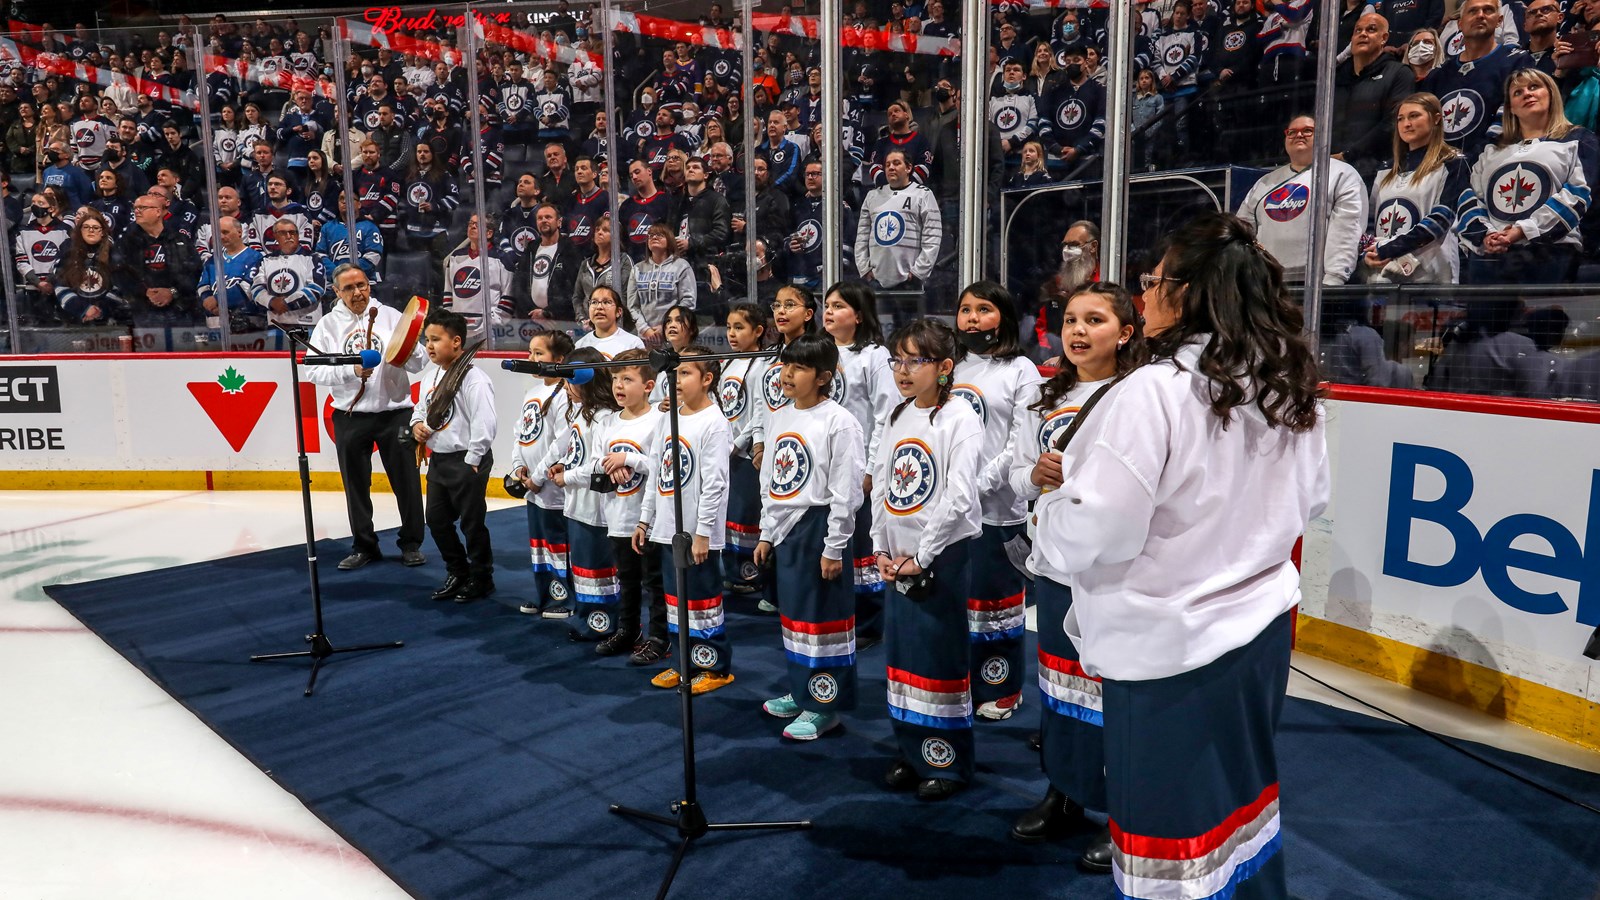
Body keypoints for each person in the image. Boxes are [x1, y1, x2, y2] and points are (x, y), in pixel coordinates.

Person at [1033, 211, 1327, 900]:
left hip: (1171, 645)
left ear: (1188, 292)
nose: (1145, 294)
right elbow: (1311, 500)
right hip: (1260, 629)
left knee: (1167, 837)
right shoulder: (1288, 383)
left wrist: (1047, 516)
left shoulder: (1151, 393)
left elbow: (1097, 528)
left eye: (1153, 281)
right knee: (1242, 803)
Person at [1006, 282, 1145, 870]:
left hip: (1110, 574)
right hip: (1053, 562)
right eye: (1070, 320)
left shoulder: (1138, 396)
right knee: (1061, 688)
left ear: (1127, 333)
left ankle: (1122, 815)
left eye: (1096, 319)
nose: (1079, 330)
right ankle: (1063, 792)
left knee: (1111, 694)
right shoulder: (1041, 394)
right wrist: (1032, 476)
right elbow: (1015, 479)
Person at [875, 318, 984, 801]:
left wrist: (921, 555)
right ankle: (911, 749)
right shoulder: (898, 415)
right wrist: (880, 546)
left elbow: (958, 497)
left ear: (943, 367)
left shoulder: (960, 417)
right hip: (898, 556)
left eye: (914, 361)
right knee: (903, 655)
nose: (902, 370)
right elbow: (883, 485)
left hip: (940, 555)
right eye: (897, 359)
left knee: (937, 654)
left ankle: (947, 760)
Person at [752, 334, 866, 741]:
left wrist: (834, 546)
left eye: (798, 368)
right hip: (786, 530)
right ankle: (803, 690)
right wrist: (767, 531)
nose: (787, 374)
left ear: (823, 377)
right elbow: (770, 481)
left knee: (823, 621)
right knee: (796, 620)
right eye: (786, 365)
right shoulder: (780, 415)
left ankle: (825, 706)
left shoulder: (840, 421)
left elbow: (846, 491)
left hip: (819, 529)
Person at [950, 282, 1045, 721]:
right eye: (965, 310)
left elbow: (1018, 443)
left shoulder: (1021, 369)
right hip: (952, 510)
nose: (971, 318)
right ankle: (961, 678)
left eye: (982, 310)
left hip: (998, 510)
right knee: (961, 601)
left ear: (1003, 317)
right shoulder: (954, 368)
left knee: (997, 601)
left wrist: (976, 486)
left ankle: (1003, 687)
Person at [308, 264, 429, 572]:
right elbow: (313, 369)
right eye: (348, 288)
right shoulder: (327, 325)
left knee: (408, 483)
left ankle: (412, 543)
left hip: (396, 413)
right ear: (336, 292)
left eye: (361, 285)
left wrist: (412, 349)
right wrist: (350, 371)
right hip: (350, 416)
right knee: (355, 485)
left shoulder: (391, 316)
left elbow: (418, 364)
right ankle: (364, 545)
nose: (357, 292)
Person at [634, 345, 737, 695]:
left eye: (687, 373)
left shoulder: (715, 423)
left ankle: (714, 667)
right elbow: (657, 471)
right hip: (667, 530)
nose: (676, 379)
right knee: (676, 602)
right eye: (675, 373)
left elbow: (716, 485)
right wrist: (645, 520)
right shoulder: (669, 417)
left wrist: (704, 533)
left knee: (702, 603)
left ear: (707, 379)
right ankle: (683, 665)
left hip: (696, 533)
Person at [1459, 68, 1596, 284]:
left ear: (1551, 94)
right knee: (1484, 318)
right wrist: (1485, 235)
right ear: (1510, 108)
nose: (1527, 94)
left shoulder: (1579, 139)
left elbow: (1579, 194)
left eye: (1534, 87)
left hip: (1551, 253)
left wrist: (1523, 230)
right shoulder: (1490, 151)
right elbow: (1470, 198)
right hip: (1491, 256)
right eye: (1517, 92)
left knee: (1542, 317)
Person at [820, 282, 896, 644]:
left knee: (862, 545)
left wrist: (870, 468)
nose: (829, 311)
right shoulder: (817, 352)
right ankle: (833, 614)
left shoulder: (874, 355)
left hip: (859, 463)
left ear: (860, 315)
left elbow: (886, 415)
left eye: (839, 305)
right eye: (827, 305)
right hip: (822, 463)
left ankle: (867, 623)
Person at [412, 309, 498, 602]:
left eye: (436, 339)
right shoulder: (431, 375)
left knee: (472, 523)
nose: (429, 346)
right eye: (427, 340)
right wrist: (418, 427)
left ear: (457, 342)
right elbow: (420, 410)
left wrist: (473, 460)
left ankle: (482, 577)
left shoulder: (474, 379)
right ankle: (458, 570)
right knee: (436, 519)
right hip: (440, 459)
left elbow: (484, 424)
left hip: (466, 460)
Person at [537, 347, 624, 635]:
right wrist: (563, 465)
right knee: (583, 565)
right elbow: (574, 451)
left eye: (570, 380)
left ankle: (602, 622)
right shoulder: (584, 414)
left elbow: (600, 465)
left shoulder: (605, 418)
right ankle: (586, 615)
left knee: (596, 566)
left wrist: (569, 476)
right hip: (577, 505)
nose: (565, 386)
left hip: (595, 508)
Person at [595, 349, 668, 659]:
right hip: (618, 514)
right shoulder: (608, 421)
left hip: (648, 518)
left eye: (627, 378)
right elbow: (596, 460)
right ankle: (628, 629)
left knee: (654, 580)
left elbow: (663, 464)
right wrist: (610, 464)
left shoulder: (659, 418)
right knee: (626, 577)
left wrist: (629, 459)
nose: (618, 386)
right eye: (615, 379)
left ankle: (660, 636)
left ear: (649, 386)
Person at [1236, 115, 1367, 284]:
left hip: (1317, 282)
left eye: (1307, 131)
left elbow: (1347, 228)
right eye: (1292, 132)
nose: (1299, 135)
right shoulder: (1266, 182)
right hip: (1268, 280)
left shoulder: (1342, 174)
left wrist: (1334, 279)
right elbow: (1242, 229)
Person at [1365, 93, 1472, 284]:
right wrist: (1369, 251)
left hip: (1432, 275)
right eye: (1401, 119)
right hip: (1383, 274)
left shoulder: (1453, 163)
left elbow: (1441, 220)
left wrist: (1391, 248)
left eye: (1414, 116)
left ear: (1436, 118)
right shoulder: (1385, 169)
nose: (1406, 124)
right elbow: (1370, 223)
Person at [510, 331, 576, 615]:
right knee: (539, 545)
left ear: (559, 360)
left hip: (551, 487)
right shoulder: (532, 392)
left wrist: (537, 477)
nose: (531, 359)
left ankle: (565, 598)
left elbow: (562, 443)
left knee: (558, 544)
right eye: (530, 352)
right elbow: (520, 433)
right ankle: (545, 594)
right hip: (532, 487)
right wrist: (517, 466)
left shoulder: (565, 395)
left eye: (539, 353)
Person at [1423, 0, 1531, 160]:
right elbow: (1424, 121)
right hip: (1439, 168)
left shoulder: (1517, 62)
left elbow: (1515, 113)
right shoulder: (1438, 75)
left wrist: (1481, 156)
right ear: (1460, 24)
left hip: (1493, 161)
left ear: (1499, 21)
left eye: (1488, 10)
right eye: (1473, 11)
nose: (1480, 15)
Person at [719, 302, 775, 597]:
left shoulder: (764, 366)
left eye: (739, 327)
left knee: (747, 514)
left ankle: (751, 573)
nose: (731, 333)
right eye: (729, 327)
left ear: (758, 331)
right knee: (729, 515)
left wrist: (740, 443)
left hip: (745, 452)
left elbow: (760, 411)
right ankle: (732, 571)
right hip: (725, 452)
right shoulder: (728, 362)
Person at [1333, 13, 1417, 184]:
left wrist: (1347, 155)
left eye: (1371, 30)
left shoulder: (1399, 73)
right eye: (1358, 31)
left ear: (1384, 38)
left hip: (1377, 173)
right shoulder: (1336, 78)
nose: (1363, 34)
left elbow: (1393, 123)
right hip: (1331, 170)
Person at [855, 149, 941, 291]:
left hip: (910, 281)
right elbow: (862, 236)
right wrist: (865, 269)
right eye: (887, 164)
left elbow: (933, 236)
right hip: (875, 281)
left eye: (896, 163)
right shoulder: (873, 196)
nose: (891, 168)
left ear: (908, 168)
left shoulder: (923, 195)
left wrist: (918, 272)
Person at [252, 218, 326, 329]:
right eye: (283, 233)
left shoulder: (313, 258)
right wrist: (270, 301)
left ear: (298, 236)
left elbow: (317, 288)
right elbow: (256, 288)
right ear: (275, 237)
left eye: (292, 232)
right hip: (276, 324)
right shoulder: (265, 261)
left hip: (308, 323)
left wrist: (287, 303)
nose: (288, 236)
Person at [514, 202, 581, 322]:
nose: (544, 220)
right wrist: (533, 313)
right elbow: (519, 285)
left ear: (559, 222)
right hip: (531, 320)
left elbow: (574, 288)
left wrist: (549, 313)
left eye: (548, 217)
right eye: (540, 218)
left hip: (561, 320)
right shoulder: (530, 249)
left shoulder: (570, 249)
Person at [55, 208, 124, 325]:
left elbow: (120, 286)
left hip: (108, 320)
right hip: (73, 319)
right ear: (80, 230)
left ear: (102, 232)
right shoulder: (67, 251)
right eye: (86, 227)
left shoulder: (114, 253)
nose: (90, 230)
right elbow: (59, 285)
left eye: (95, 228)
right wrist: (83, 309)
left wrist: (100, 310)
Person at [627, 223, 697, 332]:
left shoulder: (682, 266)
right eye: (650, 235)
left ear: (669, 240)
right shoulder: (637, 269)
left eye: (659, 235)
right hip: (645, 336)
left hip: (673, 333)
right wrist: (644, 329)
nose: (654, 237)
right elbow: (632, 306)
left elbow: (688, 302)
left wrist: (666, 326)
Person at [197, 215, 264, 330]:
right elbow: (203, 286)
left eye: (225, 232)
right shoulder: (213, 260)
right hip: (214, 323)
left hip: (248, 324)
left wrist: (217, 300)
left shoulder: (256, 258)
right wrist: (210, 304)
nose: (221, 237)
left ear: (239, 232)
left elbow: (247, 289)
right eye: (218, 233)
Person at [15, 190, 71, 325]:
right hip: (33, 289)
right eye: (33, 202)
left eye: (40, 203)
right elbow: (21, 261)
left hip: (59, 287)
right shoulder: (23, 231)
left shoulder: (65, 230)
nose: (35, 205)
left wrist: (51, 280)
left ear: (51, 208)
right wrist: (37, 282)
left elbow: (66, 259)